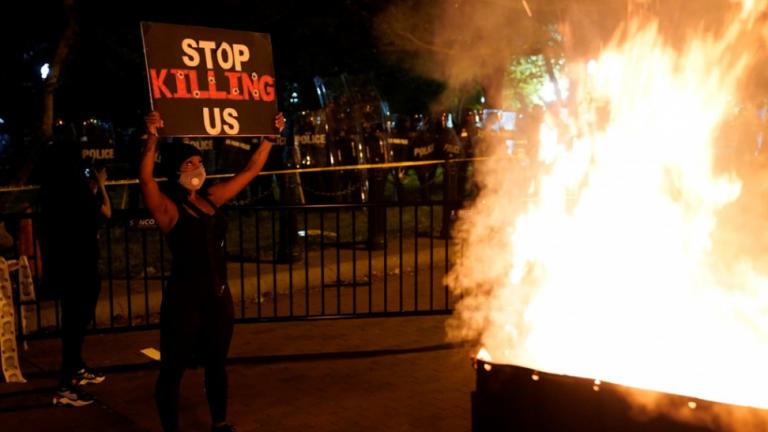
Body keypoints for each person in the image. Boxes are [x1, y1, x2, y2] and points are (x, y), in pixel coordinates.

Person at [140, 111, 284, 432]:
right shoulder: (168, 208)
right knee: (173, 369)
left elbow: (251, 170)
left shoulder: (212, 197)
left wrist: (268, 139)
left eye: (198, 162)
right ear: (174, 170)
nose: (196, 169)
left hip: (218, 298)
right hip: (184, 301)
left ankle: (220, 422)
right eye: (188, 164)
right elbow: (146, 180)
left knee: (217, 364)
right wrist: (152, 139)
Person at [39, 128, 112, 407]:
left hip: (66, 266)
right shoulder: (75, 191)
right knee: (76, 325)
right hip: (81, 267)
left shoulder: (51, 191)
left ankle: (75, 370)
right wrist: (101, 185)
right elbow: (105, 212)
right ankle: (67, 385)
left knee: (74, 324)